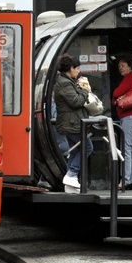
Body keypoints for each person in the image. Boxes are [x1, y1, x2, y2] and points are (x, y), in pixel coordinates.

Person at [53, 54, 93, 192]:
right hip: (72, 124)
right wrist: (85, 90)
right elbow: (76, 101)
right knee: (87, 148)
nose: (78, 71)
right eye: (77, 68)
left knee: (76, 150)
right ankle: (71, 174)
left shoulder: (67, 81)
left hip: (72, 122)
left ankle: (70, 183)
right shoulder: (64, 83)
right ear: (71, 68)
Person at [111, 55, 132, 189]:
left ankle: (125, 179)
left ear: (130, 66)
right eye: (119, 67)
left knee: (126, 148)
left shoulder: (130, 77)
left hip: (129, 116)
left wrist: (115, 97)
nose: (120, 69)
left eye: (122, 66)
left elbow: (117, 92)